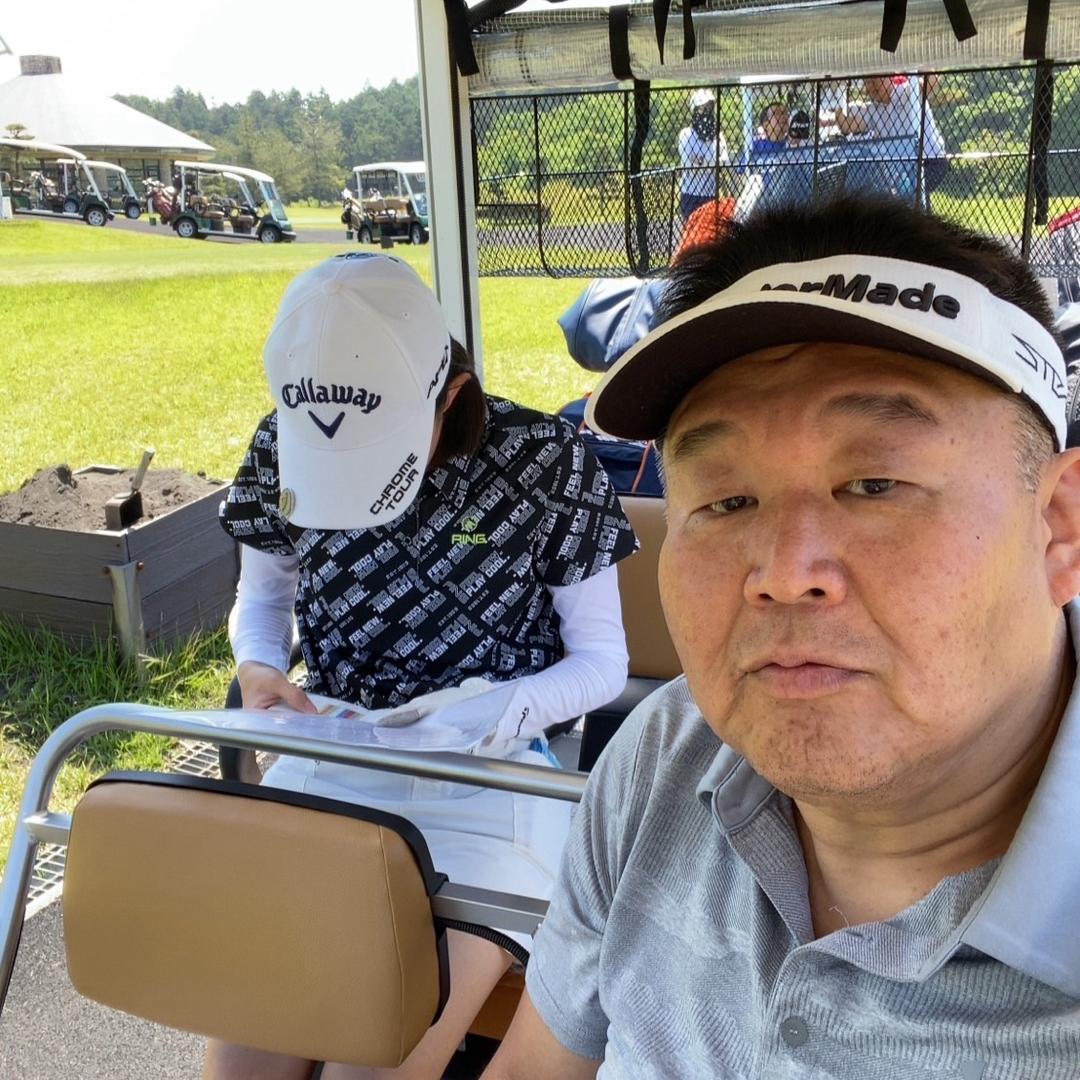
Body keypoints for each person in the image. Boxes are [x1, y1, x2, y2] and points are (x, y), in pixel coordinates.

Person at [482, 194, 1080, 1079]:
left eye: (874, 484)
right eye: (726, 500)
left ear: (1058, 526)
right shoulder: (667, 756)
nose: (784, 570)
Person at [208, 252, 637, 1080]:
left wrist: (493, 713)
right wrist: (259, 668)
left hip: (491, 781)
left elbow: (602, 663)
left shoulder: (545, 459)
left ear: (450, 392)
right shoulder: (278, 444)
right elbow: (261, 600)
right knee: (244, 1065)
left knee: (378, 1062)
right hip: (333, 756)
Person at [836, 74, 947, 205]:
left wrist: (912, 68)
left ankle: (920, 208)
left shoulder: (907, 91)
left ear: (890, 77)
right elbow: (846, 126)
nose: (872, 85)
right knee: (905, 195)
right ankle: (922, 209)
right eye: (868, 82)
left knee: (909, 193)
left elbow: (933, 81)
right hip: (904, 169)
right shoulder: (872, 110)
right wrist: (838, 92)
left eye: (876, 79)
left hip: (931, 160)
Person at [677, 88, 729, 222]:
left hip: (711, 194)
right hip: (691, 194)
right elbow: (690, 164)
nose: (706, 111)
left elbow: (725, 161)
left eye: (709, 107)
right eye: (702, 108)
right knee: (692, 230)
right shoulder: (686, 134)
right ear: (695, 110)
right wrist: (713, 162)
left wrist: (702, 161)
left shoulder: (718, 135)